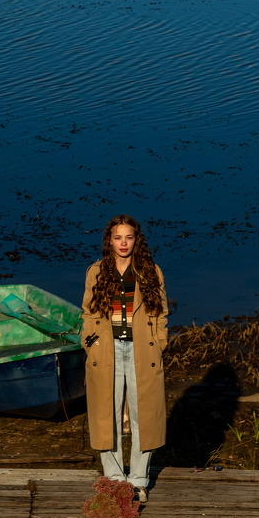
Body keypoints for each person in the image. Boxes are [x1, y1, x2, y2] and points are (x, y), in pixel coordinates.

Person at [82, 214, 168, 500]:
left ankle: (139, 481)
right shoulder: (96, 271)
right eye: (118, 237)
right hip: (106, 350)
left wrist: (159, 344)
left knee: (144, 414)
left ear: (136, 240)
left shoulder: (150, 271)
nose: (123, 243)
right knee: (108, 414)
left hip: (142, 350)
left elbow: (160, 314)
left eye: (128, 237)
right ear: (110, 240)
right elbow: (88, 312)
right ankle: (116, 480)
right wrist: (89, 344)